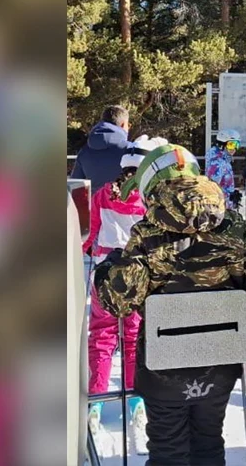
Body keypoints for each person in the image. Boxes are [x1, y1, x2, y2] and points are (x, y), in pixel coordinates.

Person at [94, 144, 246, 465]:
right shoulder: (233, 225)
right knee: (209, 443)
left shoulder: (148, 233)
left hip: (164, 368)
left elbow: (119, 301)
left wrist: (109, 267)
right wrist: (245, 343)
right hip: (220, 361)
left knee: (168, 451)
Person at [83, 135, 168, 452]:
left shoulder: (103, 194)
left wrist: (92, 250)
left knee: (101, 338)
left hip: (105, 273)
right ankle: (136, 402)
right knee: (133, 338)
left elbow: (89, 235)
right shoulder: (150, 199)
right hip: (137, 277)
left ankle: (95, 402)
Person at [71, 105, 131, 193]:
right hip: (125, 201)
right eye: (128, 125)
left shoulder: (84, 152)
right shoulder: (131, 150)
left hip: (95, 201)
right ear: (123, 124)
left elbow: (74, 186)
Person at [206, 129, 242, 211]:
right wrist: (228, 198)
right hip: (220, 208)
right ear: (221, 145)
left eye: (237, 144)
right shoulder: (218, 163)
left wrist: (231, 194)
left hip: (225, 205)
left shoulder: (224, 160)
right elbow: (213, 188)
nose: (234, 148)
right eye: (231, 145)